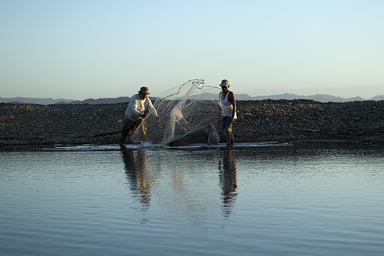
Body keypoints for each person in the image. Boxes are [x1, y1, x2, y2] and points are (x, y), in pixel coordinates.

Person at [219, 79, 236, 145]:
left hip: (230, 114)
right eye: (222, 87)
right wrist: (219, 115)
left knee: (227, 129)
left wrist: (232, 117)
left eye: (225, 87)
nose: (223, 88)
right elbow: (220, 105)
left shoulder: (231, 94)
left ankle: (228, 145)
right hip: (224, 114)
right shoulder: (220, 94)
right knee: (227, 130)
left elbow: (234, 106)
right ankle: (232, 143)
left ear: (228, 86)